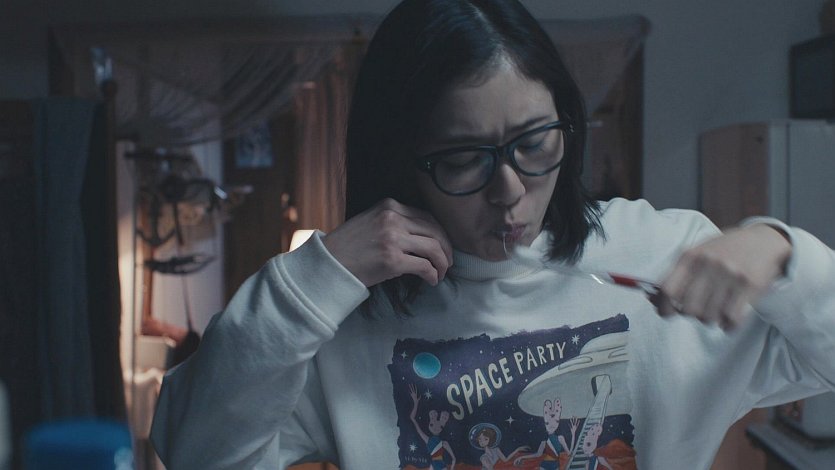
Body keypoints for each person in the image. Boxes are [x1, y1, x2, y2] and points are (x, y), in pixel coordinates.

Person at [149, 0, 835, 468]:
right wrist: (312, 277)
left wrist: (784, 256)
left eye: (534, 142)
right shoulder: (343, 318)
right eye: (462, 158)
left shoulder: (661, 255)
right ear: (404, 161)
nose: (508, 190)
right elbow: (194, 452)